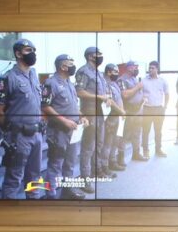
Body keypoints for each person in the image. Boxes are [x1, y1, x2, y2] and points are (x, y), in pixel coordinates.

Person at [0, 39, 45, 199]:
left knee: (35, 175)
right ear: (18, 53)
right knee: (14, 178)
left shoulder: (34, 74)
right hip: (19, 136)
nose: (33, 54)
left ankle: (33, 205)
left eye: (34, 50)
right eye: (29, 50)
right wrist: (11, 130)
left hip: (36, 135)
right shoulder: (7, 78)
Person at [42, 54, 87, 200]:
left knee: (70, 162)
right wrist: (64, 121)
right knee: (55, 163)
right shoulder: (51, 83)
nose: (73, 65)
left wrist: (82, 117)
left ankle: (67, 190)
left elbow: (73, 106)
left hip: (73, 131)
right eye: (70, 63)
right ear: (62, 66)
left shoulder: (69, 83)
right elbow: (45, 106)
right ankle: (51, 194)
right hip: (58, 131)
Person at [74, 46, 111, 186]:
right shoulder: (83, 71)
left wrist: (106, 98)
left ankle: (97, 170)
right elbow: (79, 92)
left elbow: (103, 92)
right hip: (90, 112)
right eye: (98, 54)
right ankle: (85, 178)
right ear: (90, 56)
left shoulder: (98, 73)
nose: (101, 56)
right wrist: (99, 96)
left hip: (100, 112)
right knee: (88, 146)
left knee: (99, 143)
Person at [140, 60, 169, 158]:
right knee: (146, 131)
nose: (150, 70)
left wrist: (165, 106)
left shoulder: (163, 81)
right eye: (149, 68)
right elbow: (139, 93)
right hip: (147, 109)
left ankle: (158, 149)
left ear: (157, 69)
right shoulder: (144, 80)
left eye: (152, 68)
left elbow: (167, 94)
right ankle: (145, 151)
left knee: (158, 131)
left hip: (159, 109)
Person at [120, 61, 146, 162]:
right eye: (135, 67)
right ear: (129, 68)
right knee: (124, 135)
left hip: (138, 110)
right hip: (128, 111)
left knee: (137, 133)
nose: (136, 69)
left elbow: (138, 92)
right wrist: (138, 87)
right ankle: (120, 158)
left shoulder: (134, 79)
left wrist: (142, 97)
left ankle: (136, 154)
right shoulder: (122, 80)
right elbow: (125, 95)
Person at [102, 63, 126, 174]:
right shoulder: (104, 84)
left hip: (118, 117)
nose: (117, 74)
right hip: (110, 117)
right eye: (115, 72)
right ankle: (105, 166)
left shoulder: (114, 83)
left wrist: (122, 110)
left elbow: (119, 98)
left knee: (115, 141)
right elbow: (110, 102)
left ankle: (112, 162)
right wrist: (121, 111)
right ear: (108, 72)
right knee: (108, 143)